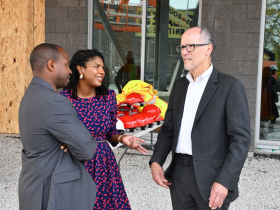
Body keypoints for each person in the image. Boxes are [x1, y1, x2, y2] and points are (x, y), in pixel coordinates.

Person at [149, 27, 251, 210]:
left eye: (190, 46)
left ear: (208, 49)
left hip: (212, 178)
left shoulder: (230, 86)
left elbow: (240, 140)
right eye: (181, 47)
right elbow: (168, 129)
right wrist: (156, 161)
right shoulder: (180, 86)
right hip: (179, 174)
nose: (184, 52)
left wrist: (225, 181)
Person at [59, 49, 148, 210]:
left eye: (103, 67)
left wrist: (122, 138)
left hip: (103, 164)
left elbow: (110, 133)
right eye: (96, 66)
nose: (102, 71)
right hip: (74, 163)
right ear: (80, 69)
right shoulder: (63, 99)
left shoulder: (108, 97)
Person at [18, 43, 97, 210]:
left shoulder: (30, 95)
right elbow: (87, 149)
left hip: (32, 187)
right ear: (51, 65)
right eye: (67, 64)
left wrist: (69, 141)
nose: (70, 71)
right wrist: (72, 141)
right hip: (54, 193)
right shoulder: (54, 101)